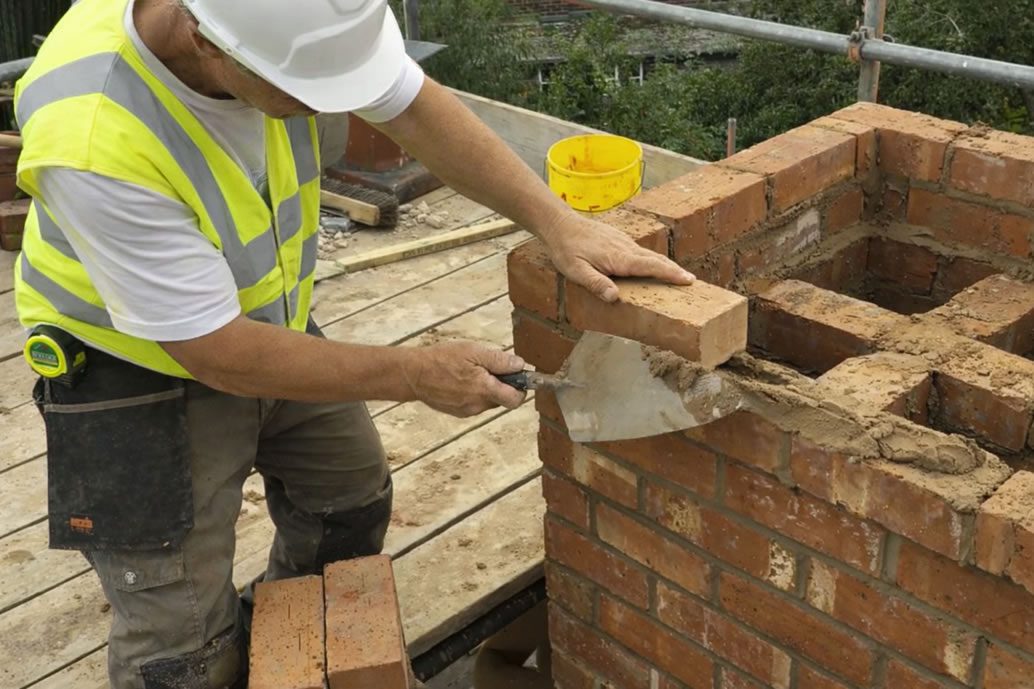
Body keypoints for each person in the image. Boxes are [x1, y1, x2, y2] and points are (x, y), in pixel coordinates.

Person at [12, 0, 696, 687]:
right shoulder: (93, 134)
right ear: (206, 43)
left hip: (267, 320)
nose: (317, 111)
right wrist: (417, 374)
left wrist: (557, 222)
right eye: (303, 94)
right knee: (179, 645)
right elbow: (216, 350)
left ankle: (281, 651)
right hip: (128, 370)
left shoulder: (285, 27)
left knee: (348, 499)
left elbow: (415, 108)